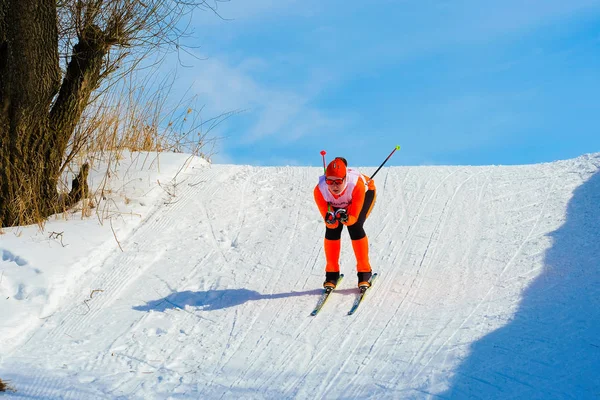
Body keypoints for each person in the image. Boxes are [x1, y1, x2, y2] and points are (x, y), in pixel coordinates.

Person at [314, 157, 376, 290]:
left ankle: (365, 272)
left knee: (355, 226)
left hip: (364, 194)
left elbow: (352, 218)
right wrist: (331, 221)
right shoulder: (320, 190)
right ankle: (331, 274)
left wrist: (347, 218)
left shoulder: (356, 185)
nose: (334, 185)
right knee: (332, 229)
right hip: (337, 203)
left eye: (338, 181)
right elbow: (329, 220)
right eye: (330, 181)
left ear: (345, 178)